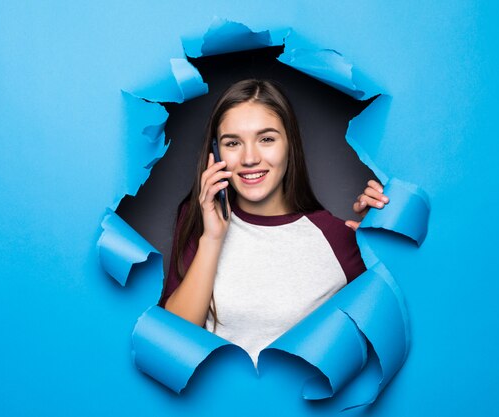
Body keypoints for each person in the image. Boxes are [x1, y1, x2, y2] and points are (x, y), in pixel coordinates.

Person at [158, 79, 388, 365]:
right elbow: (171, 340)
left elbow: (382, 326)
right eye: (233, 143)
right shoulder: (200, 218)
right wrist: (212, 239)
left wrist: (380, 240)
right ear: (215, 154)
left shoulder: (336, 236)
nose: (250, 158)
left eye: (266, 139)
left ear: (289, 145)